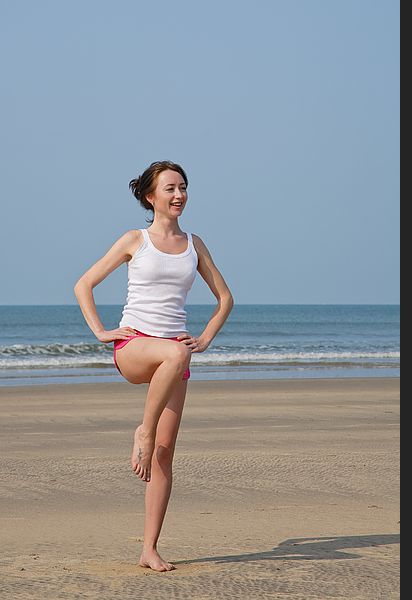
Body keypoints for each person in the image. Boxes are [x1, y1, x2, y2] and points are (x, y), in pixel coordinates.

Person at [73, 160, 234, 571]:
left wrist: (205, 337)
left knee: (164, 456)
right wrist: (100, 331)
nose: (179, 194)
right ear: (150, 196)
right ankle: (142, 430)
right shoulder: (134, 240)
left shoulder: (194, 245)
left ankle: (149, 549)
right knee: (175, 358)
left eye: (183, 187)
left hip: (173, 358)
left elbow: (225, 299)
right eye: (169, 188)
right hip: (134, 348)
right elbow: (84, 284)